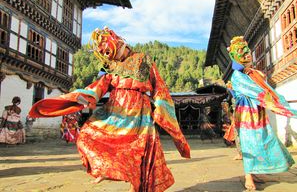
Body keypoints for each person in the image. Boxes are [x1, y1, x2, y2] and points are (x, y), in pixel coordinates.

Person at [29, 27, 190, 192]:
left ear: (119, 43)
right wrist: (85, 97)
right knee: (86, 136)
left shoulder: (143, 59)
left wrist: (161, 108)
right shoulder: (110, 67)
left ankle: (135, 187)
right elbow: (99, 86)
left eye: (110, 51)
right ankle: (103, 168)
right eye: (106, 53)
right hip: (115, 112)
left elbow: (159, 87)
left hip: (139, 112)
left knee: (137, 152)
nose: (111, 56)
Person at [227, 36, 297, 190]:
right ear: (234, 56)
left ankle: (256, 171)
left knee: (266, 139)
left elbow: (266, 88)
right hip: (246, 115)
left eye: (247, 51)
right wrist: (274, 103)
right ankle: (249, 176)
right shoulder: (237, 76)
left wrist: (275, 99)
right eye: (242, 52)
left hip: (258, 113)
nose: (247, 54)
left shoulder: (253, 74)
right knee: (249, 144)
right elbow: (258, 92)